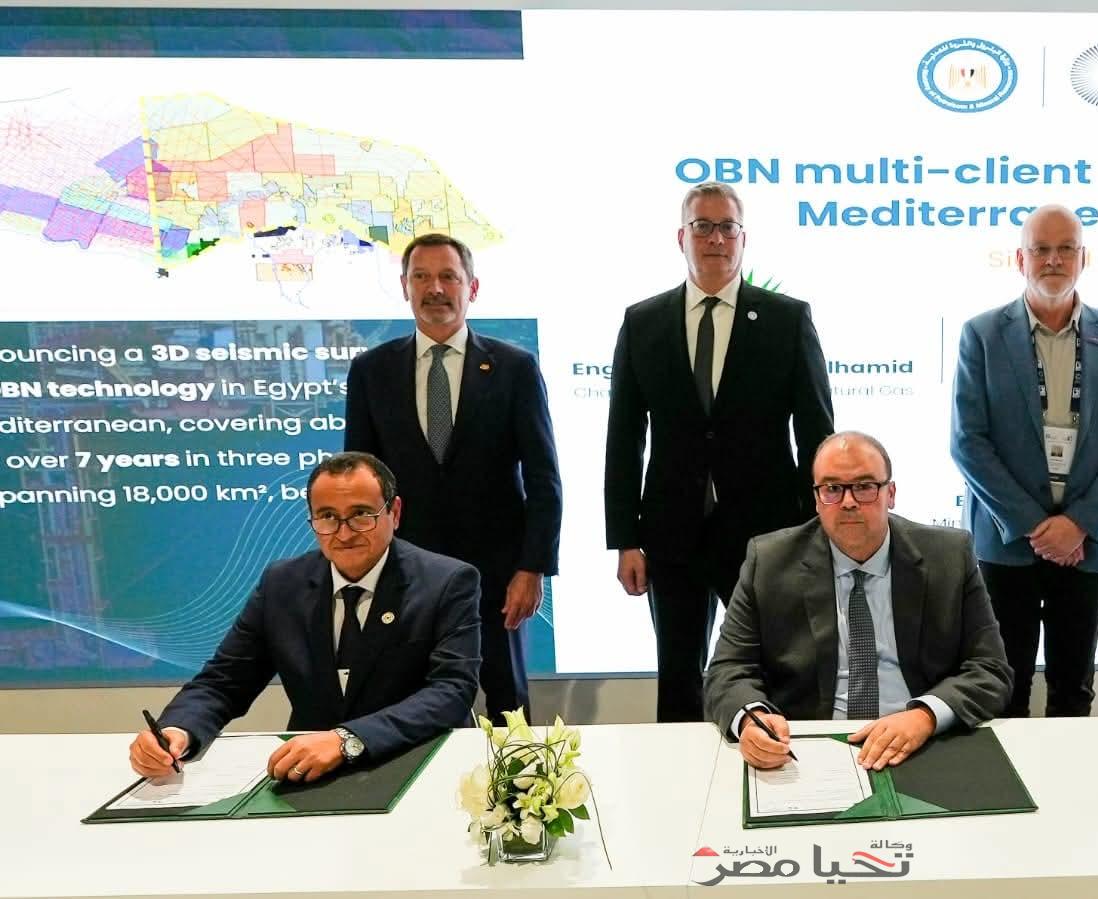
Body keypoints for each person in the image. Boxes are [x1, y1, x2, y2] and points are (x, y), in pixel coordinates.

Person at [605, 182, 834, 722]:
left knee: (777, 671)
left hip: (766, 535)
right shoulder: (643, 322)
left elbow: (816, 434)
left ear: (743, 238)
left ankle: (778, 766)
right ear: (681, 237)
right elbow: (624, 437)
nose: (715, 238)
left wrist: (815, 529)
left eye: (727, 227)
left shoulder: (787, 319)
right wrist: (626, 539)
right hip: (671, 534)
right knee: (678, 678)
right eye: (702, 226)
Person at [128, 452, 481, 781]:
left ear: (395, 513)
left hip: (420, 763)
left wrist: (347, 739)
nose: (344, 533)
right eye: (327, 516)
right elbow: (225, 681)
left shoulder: (447, 581)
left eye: (361, 514)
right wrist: (178, 731)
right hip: (311, 775)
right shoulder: (282, 584)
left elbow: (451, 691)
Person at [345, 233, 560, 719]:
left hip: (498, 576)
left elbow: (544, 479)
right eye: (421, 277)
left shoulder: (515, 368)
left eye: (448, 277)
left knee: (508, 706)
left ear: (472, 287)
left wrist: (532, 569)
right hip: (405, 575)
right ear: (404, 285)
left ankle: (517, 772)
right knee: (410, 707)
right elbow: (358, 483)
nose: (435, 289)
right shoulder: (372, 371)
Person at [704, 432, 1012, 771]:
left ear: (890, 494)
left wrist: (925, 715)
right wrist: (752, 719)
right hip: (809, 747)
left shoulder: (949, 556)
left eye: (864, 486)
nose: (848, 501)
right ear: (817, 499)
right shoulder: (770, 561)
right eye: (832, 488)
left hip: (921, 741)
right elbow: (728, 669)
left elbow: (990, 669)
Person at [950, 204, 1098, 717]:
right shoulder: (982, 334)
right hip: (1007, 543)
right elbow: (968, 441)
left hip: (1086, 545)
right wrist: (1036, 526)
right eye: (1041, 249)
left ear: (1084, 258)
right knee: (1002, 686)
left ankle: (1070, 774)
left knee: (1074, 687)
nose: (1053, 260)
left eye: (1065, 249)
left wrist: (1079, 524)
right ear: (1021, 259)